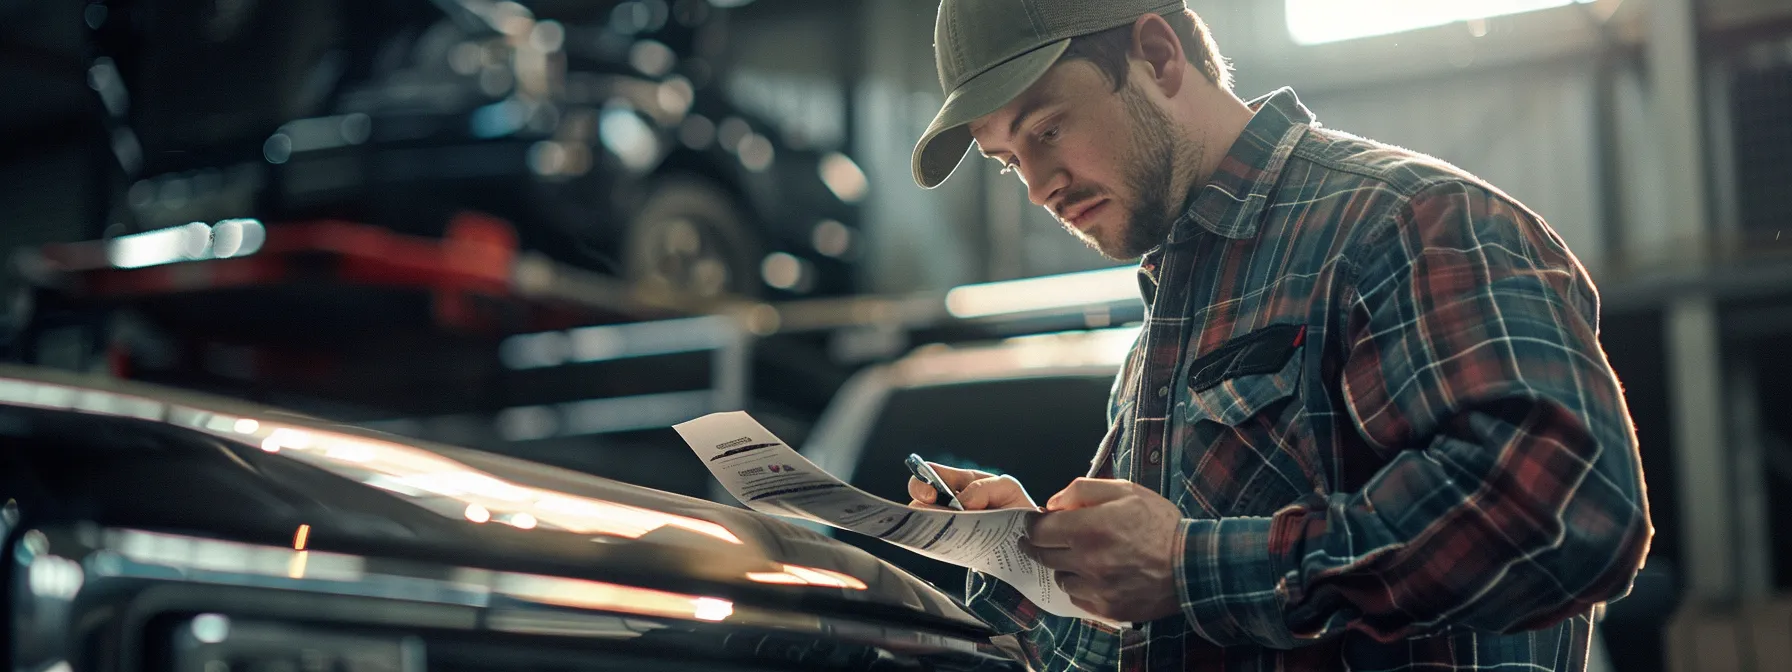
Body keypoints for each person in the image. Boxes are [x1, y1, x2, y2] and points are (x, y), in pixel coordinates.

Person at [903, 1, 1653, 670]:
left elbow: (1569, 508)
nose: (1037, 184)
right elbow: (1159, 631)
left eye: (1048, 128)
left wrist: (1188, 565)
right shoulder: (1172, 318)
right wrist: (1025, 559)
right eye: (1008, 161)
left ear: (1159, 55)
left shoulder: (1409, 222)